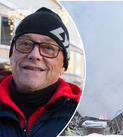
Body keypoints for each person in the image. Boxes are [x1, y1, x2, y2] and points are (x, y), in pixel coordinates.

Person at [0, 7, 82, 137]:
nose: (34, 55)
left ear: (63, 66)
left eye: (48, 48)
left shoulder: (76, 119)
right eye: (25, 44)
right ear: (11, 56)